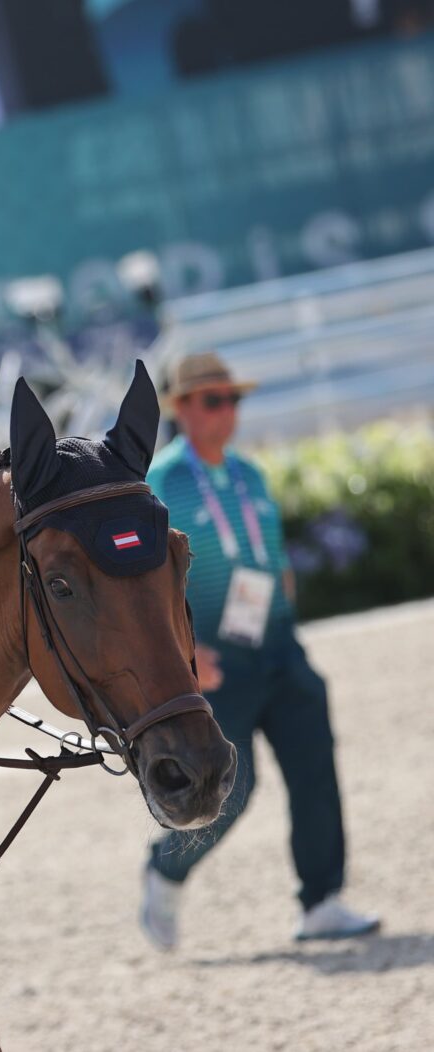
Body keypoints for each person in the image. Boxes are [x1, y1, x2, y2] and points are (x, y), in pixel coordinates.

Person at [138, 351, 379, 950]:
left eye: (233, 399)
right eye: (214, 400)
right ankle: (165, 870)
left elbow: (270, 557)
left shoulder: (250, 474)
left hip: (279, 648)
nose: (228, 411)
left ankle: (321, 900)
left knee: (315, 771)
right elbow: (152, 585)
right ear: (183, 408)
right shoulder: (163, 481)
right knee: (231, 792)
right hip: (218, 666)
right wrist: (189, 656)